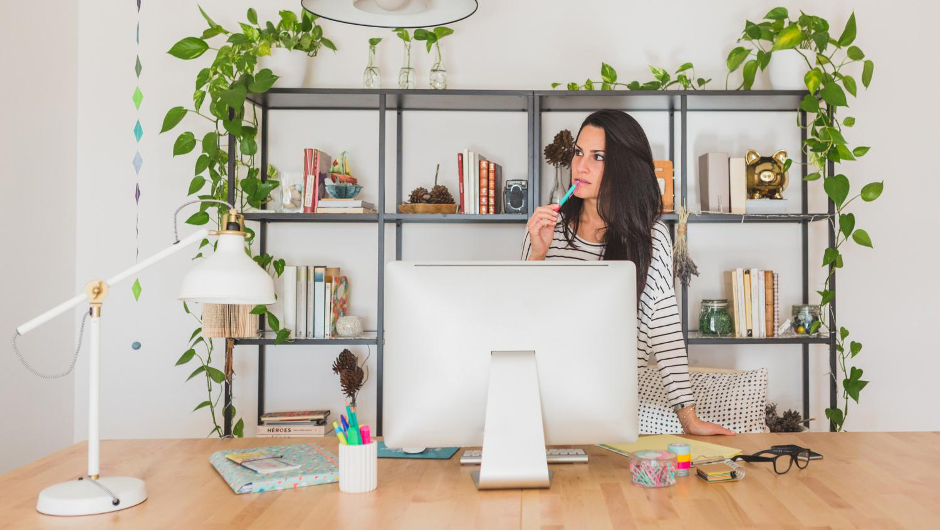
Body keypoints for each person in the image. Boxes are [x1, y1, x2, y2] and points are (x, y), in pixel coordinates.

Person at [522, 109, 734, 436]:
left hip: (610, 409)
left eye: (598, 157)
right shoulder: (546, 230)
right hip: (540, 405)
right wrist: (537, 253)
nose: (581, 166)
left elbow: (664, 329)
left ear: (624, 167)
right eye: (579, 152)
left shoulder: (652, 238)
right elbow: (521, 318)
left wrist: (688, 419)